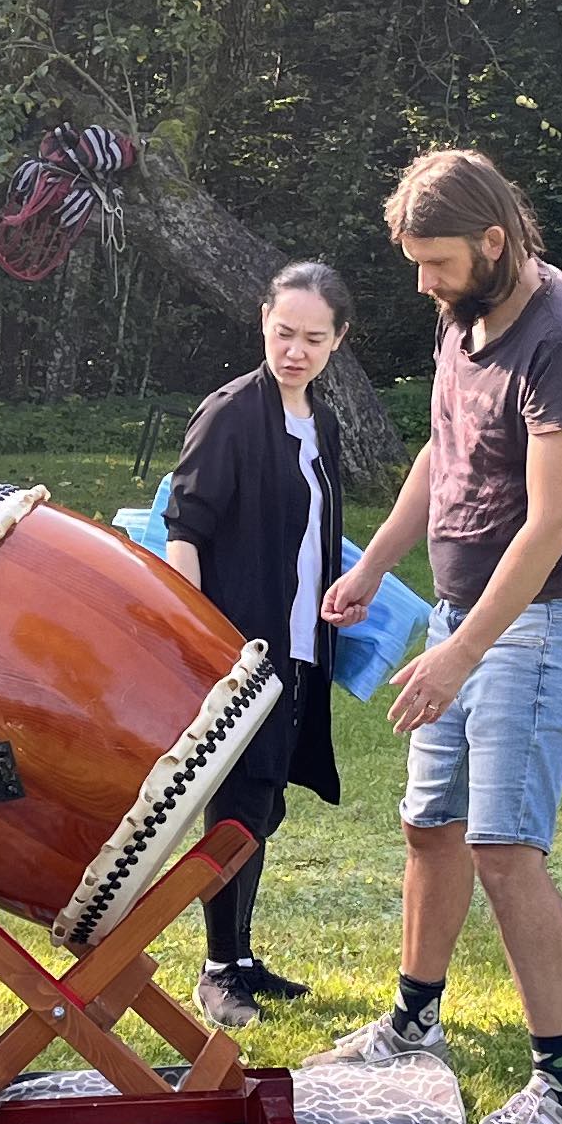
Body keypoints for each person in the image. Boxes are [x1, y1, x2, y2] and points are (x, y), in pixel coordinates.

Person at [315, 149, 562, 1124]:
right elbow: (443, 453)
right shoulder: (465, 314)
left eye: (437, 263)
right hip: (461, 615)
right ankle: (414, 1023)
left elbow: (549, 526)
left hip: (536, 623)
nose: (423, 284)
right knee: (429, 826)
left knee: (504, 850)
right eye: (415, 263)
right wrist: (375, 565)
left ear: (494, 241)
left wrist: (460, 655)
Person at [160, 262, 357, 1031]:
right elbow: (185, 529)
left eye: (313, 338)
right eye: (283, 333)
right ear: (262, 324)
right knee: (238, 802)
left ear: (338, 341)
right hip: (237, 649)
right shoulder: (231, 414)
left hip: (299, 643)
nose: (295, 351)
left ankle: (239, 954)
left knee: (266, 798)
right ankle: (217, 969)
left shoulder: (322, 424)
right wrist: (199, 640)